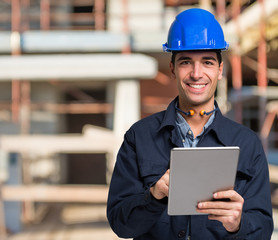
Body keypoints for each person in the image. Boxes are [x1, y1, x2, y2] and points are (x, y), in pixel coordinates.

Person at [107, 8, 273, 240]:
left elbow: (263, 229)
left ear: (220, 70)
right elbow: (120, 224)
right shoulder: (139, 137)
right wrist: (153, 197)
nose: (197, 73)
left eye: (207, 62)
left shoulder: (247, 144)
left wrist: (238, 224)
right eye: (186, 62)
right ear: (173, 68)